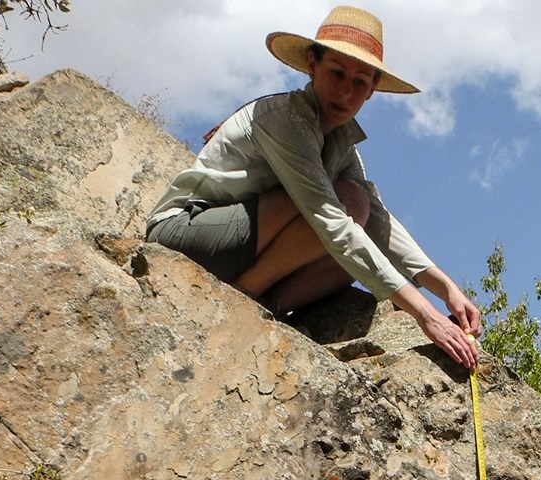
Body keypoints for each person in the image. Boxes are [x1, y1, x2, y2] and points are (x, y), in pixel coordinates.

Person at [145, 6, 481, 369]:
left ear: (371, 92)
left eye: (359, 82)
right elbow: (330, 218)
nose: (345, 91)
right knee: (346, 206)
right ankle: (245, 294)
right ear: (312, 65)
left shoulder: (340, 143)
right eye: (336, 73)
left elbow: (379, 220)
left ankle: (265, 307)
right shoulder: (284, 120)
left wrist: (445, 288)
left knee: (359, 214)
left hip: (250, 246)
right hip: (184, 233)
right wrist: (424, 314)